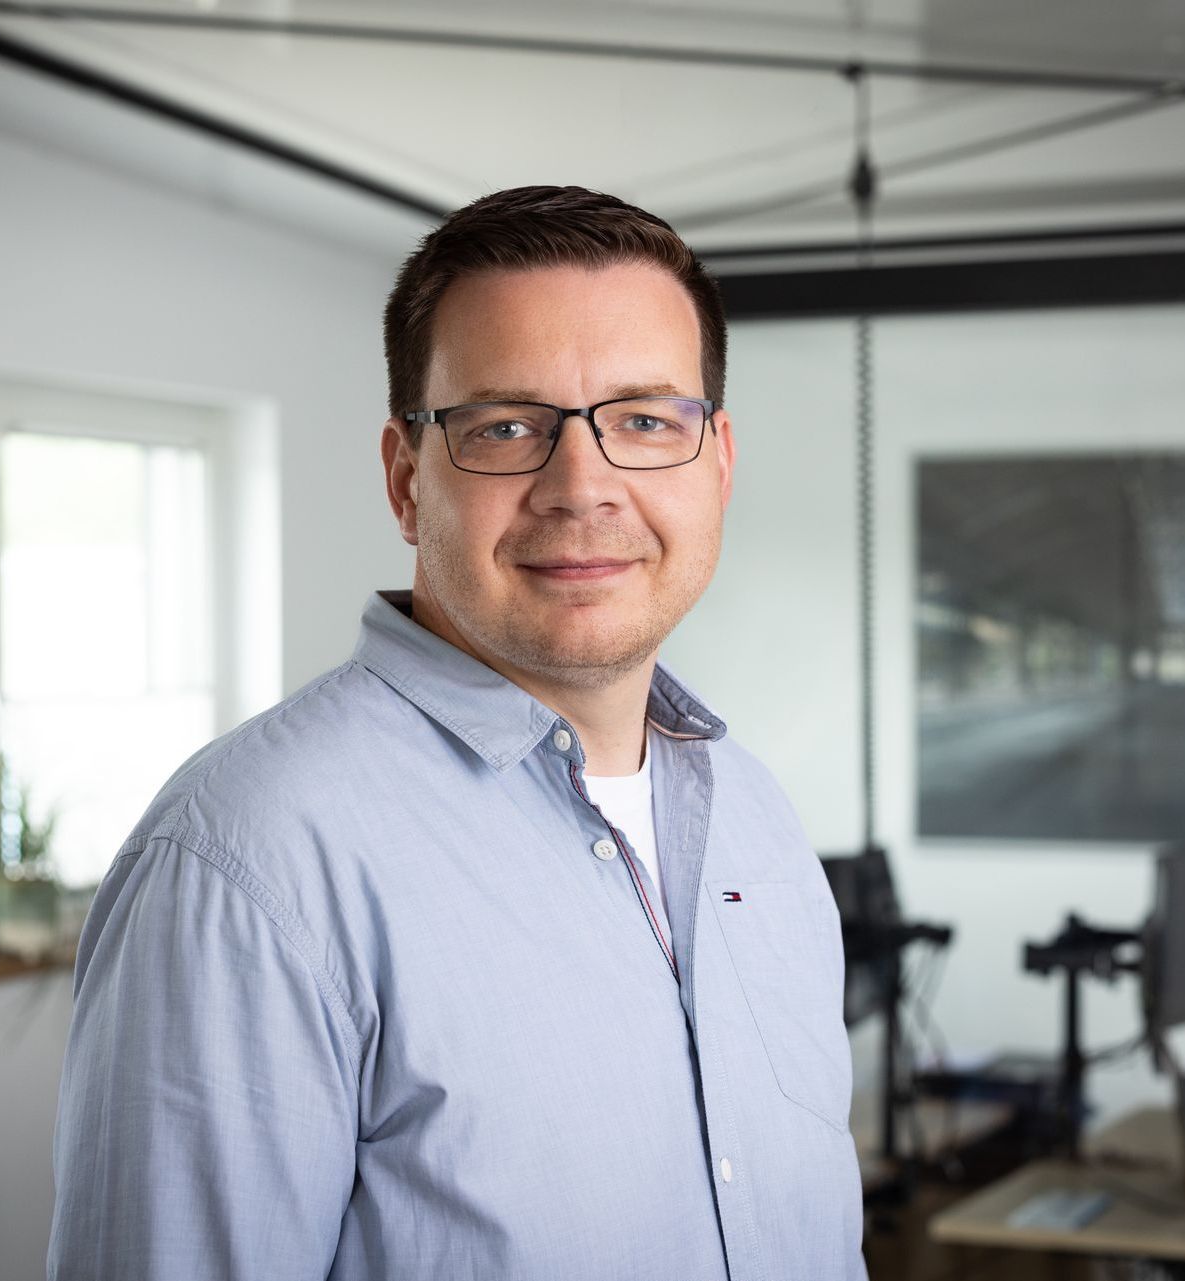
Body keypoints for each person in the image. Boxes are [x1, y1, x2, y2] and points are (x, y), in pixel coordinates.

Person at [48, 185, 866, 1281]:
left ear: (715, 463)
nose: (583, 487)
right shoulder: (248, 866)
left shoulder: (756, 824)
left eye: (643, 421)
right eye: (507, 427)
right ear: (405, 478)